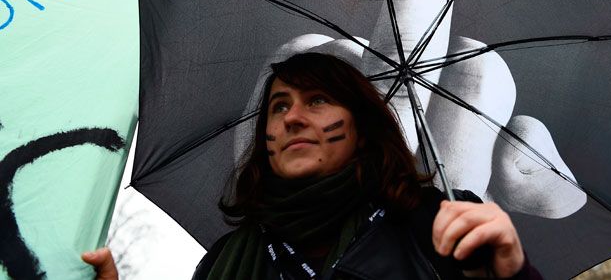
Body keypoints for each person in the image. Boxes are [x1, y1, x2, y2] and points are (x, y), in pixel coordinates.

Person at [83, 52, 541, 279]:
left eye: (317, 100)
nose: (293, 117)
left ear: (362, 127)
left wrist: (510, 274)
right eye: (278, 107)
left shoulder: (440, 229)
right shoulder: (227, 262)